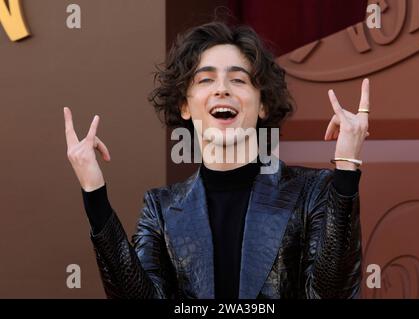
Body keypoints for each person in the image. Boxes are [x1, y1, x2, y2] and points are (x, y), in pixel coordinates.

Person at [63, 21, 368, 299]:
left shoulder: (312, 191)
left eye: (238, 80)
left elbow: (330, 295)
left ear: (263, 105)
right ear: (185, 105)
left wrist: (346, 168)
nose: (222, 89)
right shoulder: (161, 208)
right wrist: (94, 191)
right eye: (206, 80)